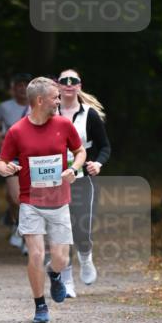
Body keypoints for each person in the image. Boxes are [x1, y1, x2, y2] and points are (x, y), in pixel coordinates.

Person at [0, 77, 85, 323]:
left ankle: (54, 275)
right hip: (30, 201)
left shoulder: (64, 125)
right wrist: (5, 169)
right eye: (55, 97)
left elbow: (80, 152)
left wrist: (74, 169)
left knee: (61, 258)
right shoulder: (17, 131)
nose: (59, 101)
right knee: (35, 254)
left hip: (58, 200)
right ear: (39, 100)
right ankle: (40, 305)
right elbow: (2, 161)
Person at [57, 69, 112, 296]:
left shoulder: (89, 115)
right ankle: (67, 280)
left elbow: (105, 146)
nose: (69, 84)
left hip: (82, 179)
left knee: (82, 228)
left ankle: (86, 256)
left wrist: (97, 164)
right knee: (62, 230)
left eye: (74, 81)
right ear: (57, 86)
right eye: (64, 81)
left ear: (80, 86)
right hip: (56, 178)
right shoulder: (50, 111)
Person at [0, 73, 31, 249]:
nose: (22, 88)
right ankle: (18, 224)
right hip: (11, 155)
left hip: (33, 156)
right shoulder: (5, 107)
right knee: (14, 198)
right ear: (13, 88)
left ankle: (28, 234)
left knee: (31, 197)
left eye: (25, 85)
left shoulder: (39, 105)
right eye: (18, 84)